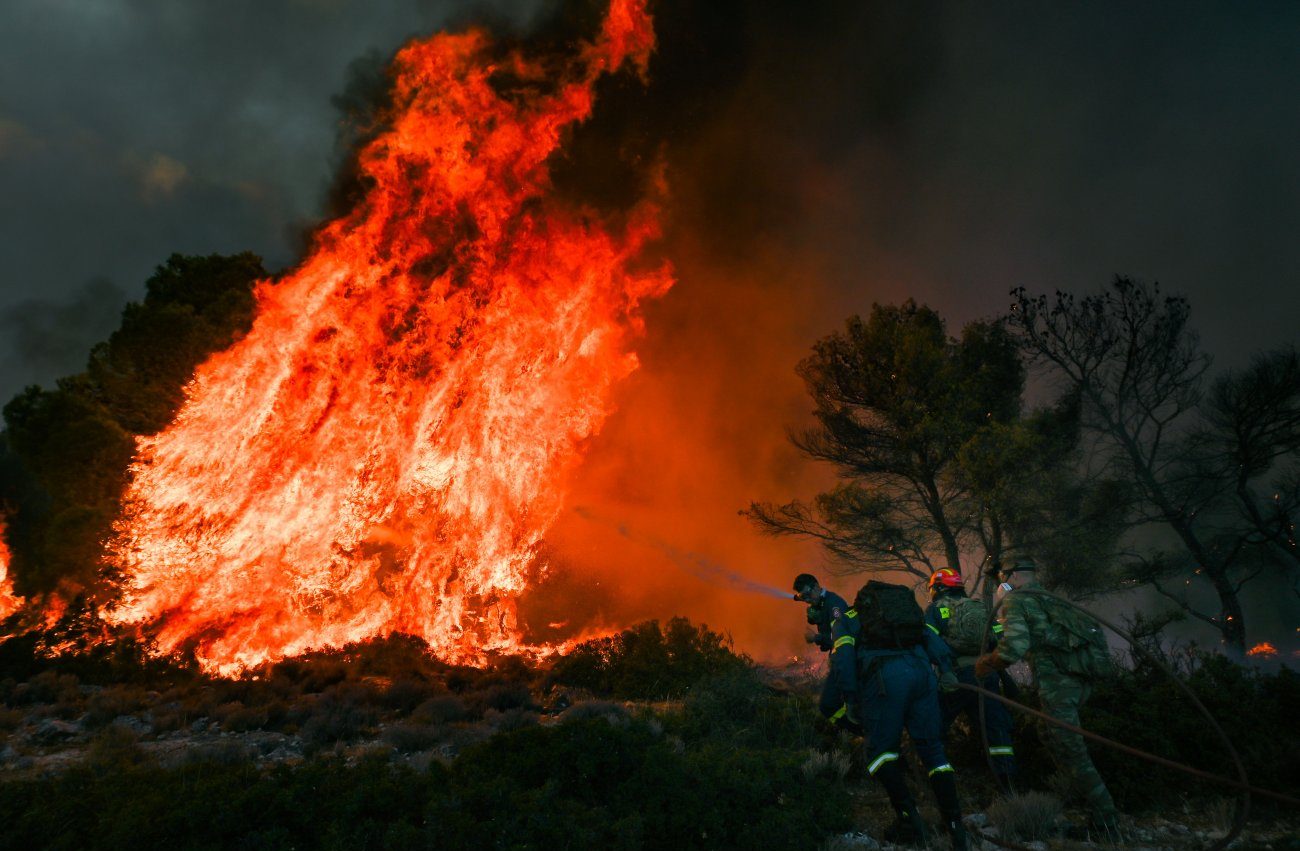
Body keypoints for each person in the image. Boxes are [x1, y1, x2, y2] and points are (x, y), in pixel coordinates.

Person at [975, 559, 1120, 833]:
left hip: (1058, 683)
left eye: (1003, 579)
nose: (1001, 585)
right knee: (1048, 732)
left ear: (1013, 576)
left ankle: (1107, 821)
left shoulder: (1017, 601)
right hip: (1079, 680)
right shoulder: (1052, 599)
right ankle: (1078, 798)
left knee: (1071, 747)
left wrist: (986, 663)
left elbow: (1013, 649)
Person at [830, 580, 968, 850]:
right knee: (933, 752)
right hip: (921, 674)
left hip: (885, 680)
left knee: (879, 752)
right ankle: (955, 827)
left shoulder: (846, 619)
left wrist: (850, 698)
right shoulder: (907, 613)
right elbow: (931, 639)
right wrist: (946, 668)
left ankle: (910, 820)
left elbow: (843, 659)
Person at [924, 567, 1018, 794]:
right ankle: (1009, 787)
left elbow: (929, 641)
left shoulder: (936, 609)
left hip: (956, 678)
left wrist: (944, 671)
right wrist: (1004, 677)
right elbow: (996, 642)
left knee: (934, 727)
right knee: (996, 729)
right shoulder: (980, 607)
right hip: (987, 676)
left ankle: (938, 784)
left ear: (937, 588)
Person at [792, 573, 858, 731]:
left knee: (828, 704)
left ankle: (860, 731)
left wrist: (816, 637)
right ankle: (857, 729)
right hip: (839, 658)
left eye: (808, 595)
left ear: (816, 587)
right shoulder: (821, 604)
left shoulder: (835, 605)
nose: (807, 600)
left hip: (846, 658)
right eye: (803, 598)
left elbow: (841, 637)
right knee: (830, 705)